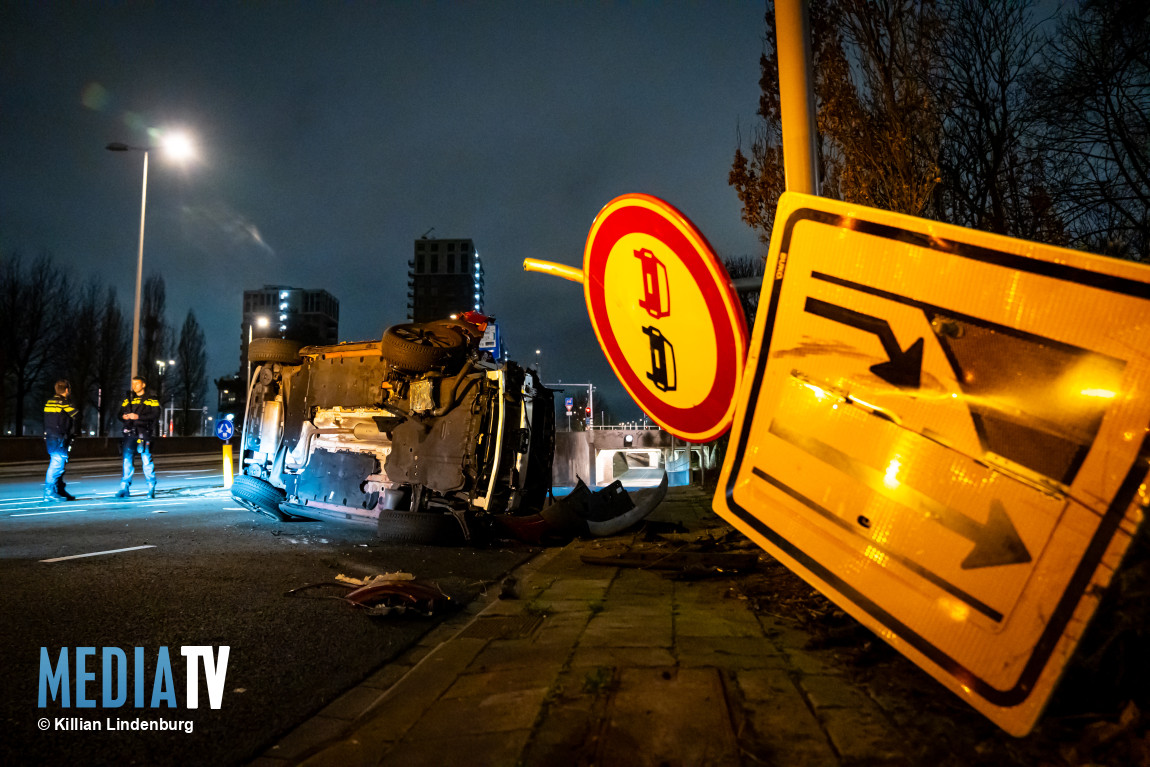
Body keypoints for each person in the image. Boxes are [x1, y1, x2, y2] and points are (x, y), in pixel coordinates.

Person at [116, 376, 161, 499]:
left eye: (137, 383)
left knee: (146, 460)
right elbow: (119, 414)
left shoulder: (151, 399)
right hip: (130, 433)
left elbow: (156, 414)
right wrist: (124, 416)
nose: (134, 386)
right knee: (127, 461)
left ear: (143, 385)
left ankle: (151, 487)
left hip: (143, 433)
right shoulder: (128, 399)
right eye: (133, 383)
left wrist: (138, 417)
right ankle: (124, 488)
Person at [43, 379, 77, 502]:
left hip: (51, 436)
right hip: (59, 437)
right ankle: (49, 493)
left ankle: (59, 490)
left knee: (59, 464)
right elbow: (75, 414)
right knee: (57, 464)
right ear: (67, 390)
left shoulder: (49, 402)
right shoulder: (63, 402)